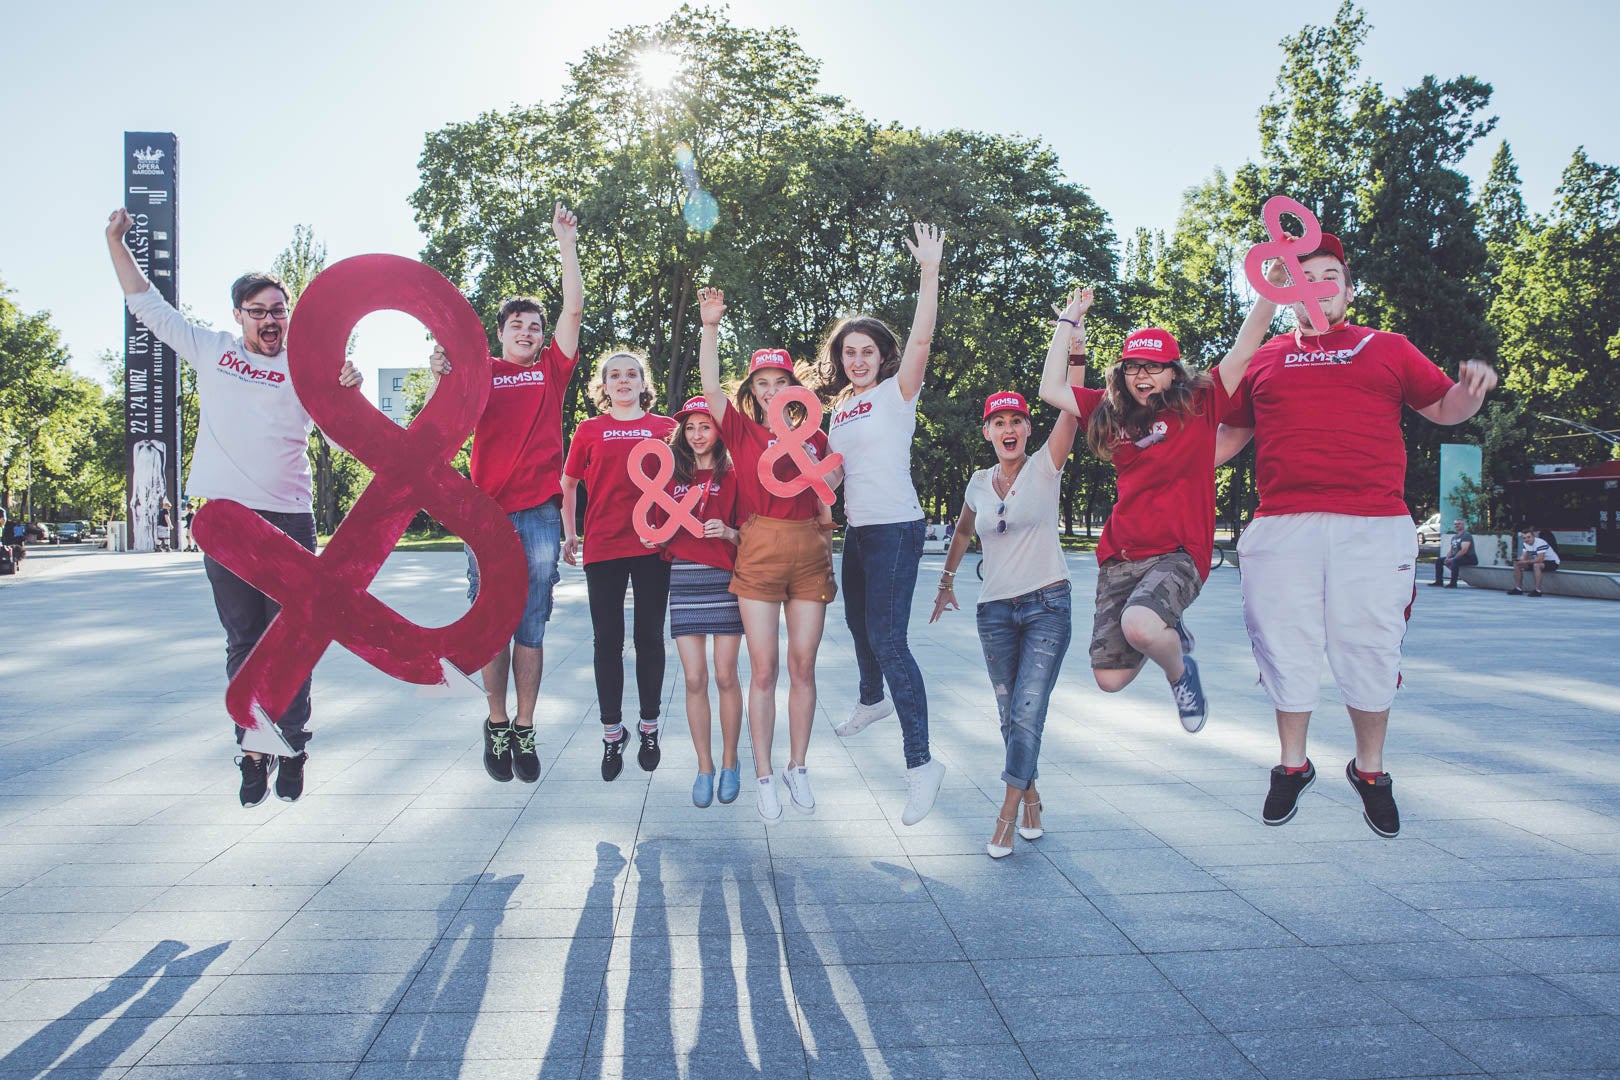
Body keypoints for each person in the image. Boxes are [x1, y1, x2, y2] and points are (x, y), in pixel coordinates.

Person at [1215, 232, 1498, 838]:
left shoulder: (1385, 346)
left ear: (1347, 289)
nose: (1317, 287)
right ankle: (1292, 765)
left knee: (1368, 647)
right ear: (1284, 291)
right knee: (1281, 645)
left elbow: (1443, 407)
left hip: (1373, 525)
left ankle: (1370, 772)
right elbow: (1226, 443)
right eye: (1303, 277)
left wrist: (1469, 395)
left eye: (1329, 277)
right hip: (1281, 524)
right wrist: (1157, 458)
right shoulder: (1261, 359)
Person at [105, 207, 363, 807]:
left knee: (294, 635)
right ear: (238, 316)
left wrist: (346, 382)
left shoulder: (309, 365)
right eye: (260, 312)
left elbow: (352, 432)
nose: (272, 321)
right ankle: (252, 747)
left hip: (291, 518)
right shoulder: (213, 350)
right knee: (245, 637)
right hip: (228, 523)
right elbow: (146, 304)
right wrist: (114, 242)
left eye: (280, 311)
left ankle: (292, 743)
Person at [1041, 275, 1280, 734]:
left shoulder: (1200, 404)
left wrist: (1271, 286)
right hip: (1121, 555)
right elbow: (1051, 388)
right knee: (1109, 679)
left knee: (1141, 626)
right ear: (1121, 373)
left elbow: (1246, 346)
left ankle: (1179, 670)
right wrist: (1070, 322)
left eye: (1154, 367)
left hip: (1179, 553)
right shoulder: (1108, 411)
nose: (1143, 376)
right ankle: (1166, 631)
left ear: (1174, 371)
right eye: (1133, 367)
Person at [429, 204, 582, 786]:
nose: (528, 332)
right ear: (500, 333)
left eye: (534, 327)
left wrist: (565, 243)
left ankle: (524, 723)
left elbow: (573, 306)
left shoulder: (551, 370)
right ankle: (495, 722)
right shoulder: (483, 371)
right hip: (484, 515)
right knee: (491, 622)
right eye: (517, 325)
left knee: (533, 622)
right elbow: (443, 407)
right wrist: (444, 366)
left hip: (540, 515)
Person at [697, 287, 843, 822]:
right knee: (764, 670)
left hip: (808, 549)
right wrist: (711, 326)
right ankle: (762, 773)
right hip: (757, 551)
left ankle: (797, 766)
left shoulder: (817, 437)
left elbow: (830, 495)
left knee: (803, 665)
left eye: (781, 382)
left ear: (794, 389)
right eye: (763, 384)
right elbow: (710, 387)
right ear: (754, 393)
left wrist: (828, 470)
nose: (772, 390)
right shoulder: (740, 431)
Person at [822, 222, 948, 826]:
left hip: (898, 528)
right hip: (859, 531)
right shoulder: (839, 409)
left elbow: (922, 341)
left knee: (891, 641)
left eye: (867, 351)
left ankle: (922, 766)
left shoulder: (900, 392)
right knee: (856, 624)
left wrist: (928, 273)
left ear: (882, 357)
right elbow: (834, 477)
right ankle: (872, 699)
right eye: (849, 352)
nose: (858, 359)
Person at [930, 378, 1081, 858]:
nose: (1009, 428)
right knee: (1008, 715)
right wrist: (946, 581)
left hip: (1047, 604)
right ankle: (1032, 795)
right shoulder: (978, 482)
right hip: (994, 611)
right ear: (988, 432)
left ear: (1028, 428)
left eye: (1016, 420)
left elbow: (1073, 409)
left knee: (1027, 709)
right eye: (1000, 422)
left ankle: (1007, 814)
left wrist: (1074, 348)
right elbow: (960, 532)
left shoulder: (1046, 466)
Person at [562, 352, 676, 781]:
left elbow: (684, 483)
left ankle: (649, 726)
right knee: (606, 642)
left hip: (652, 548)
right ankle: (612, 733)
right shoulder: (589, 430)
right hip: (604, 547)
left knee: (649, 638)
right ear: (604, 386)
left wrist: (674, 530)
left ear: (643, 383)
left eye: (631, 374)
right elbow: (569, 484)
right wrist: (570, 531)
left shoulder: (665, 429)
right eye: (615, 375)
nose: (623, 381)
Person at [650, 396, 745, 808]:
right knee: (693, 679)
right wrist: (652, 535)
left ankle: (729, 761)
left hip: (725, 577)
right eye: (690, 427)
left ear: (719, 430)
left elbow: (751, 534)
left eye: (705, 426)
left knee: (725, 676)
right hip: (685, 577)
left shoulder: (736, 473)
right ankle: (704, 766)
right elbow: (654, 524)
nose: (697, 434)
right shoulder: (671, 476)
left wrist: (727, 531)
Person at [1509, 526, 1559, 595]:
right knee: (1517, 564)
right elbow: (1523, 557)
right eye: (1524, 538)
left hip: (1552, 562)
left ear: (1533, 537)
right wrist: (1518, 560)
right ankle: (1518, 589)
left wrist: (1525, 561)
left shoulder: (1540, 543)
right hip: (1539, 562)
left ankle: (1538, 591)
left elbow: (1540, 559)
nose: (1527, 539)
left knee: (1536, 565)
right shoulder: (1525, 544)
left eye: (1528, 537)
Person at [1430, 518, 1477, 588]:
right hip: (1458, 557)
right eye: (1455, 524)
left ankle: (1453, 583)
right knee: (1439, 560)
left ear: (1463, 525)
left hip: (1469, 558)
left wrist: (1452, 559)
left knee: (1454, 561)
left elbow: (1464, 550)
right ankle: (1439, 581)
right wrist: (1447, 558)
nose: (1457, 526)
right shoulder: (1454, 537)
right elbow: (1452, 551)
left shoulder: (1466, 535)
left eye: (1459, 524)